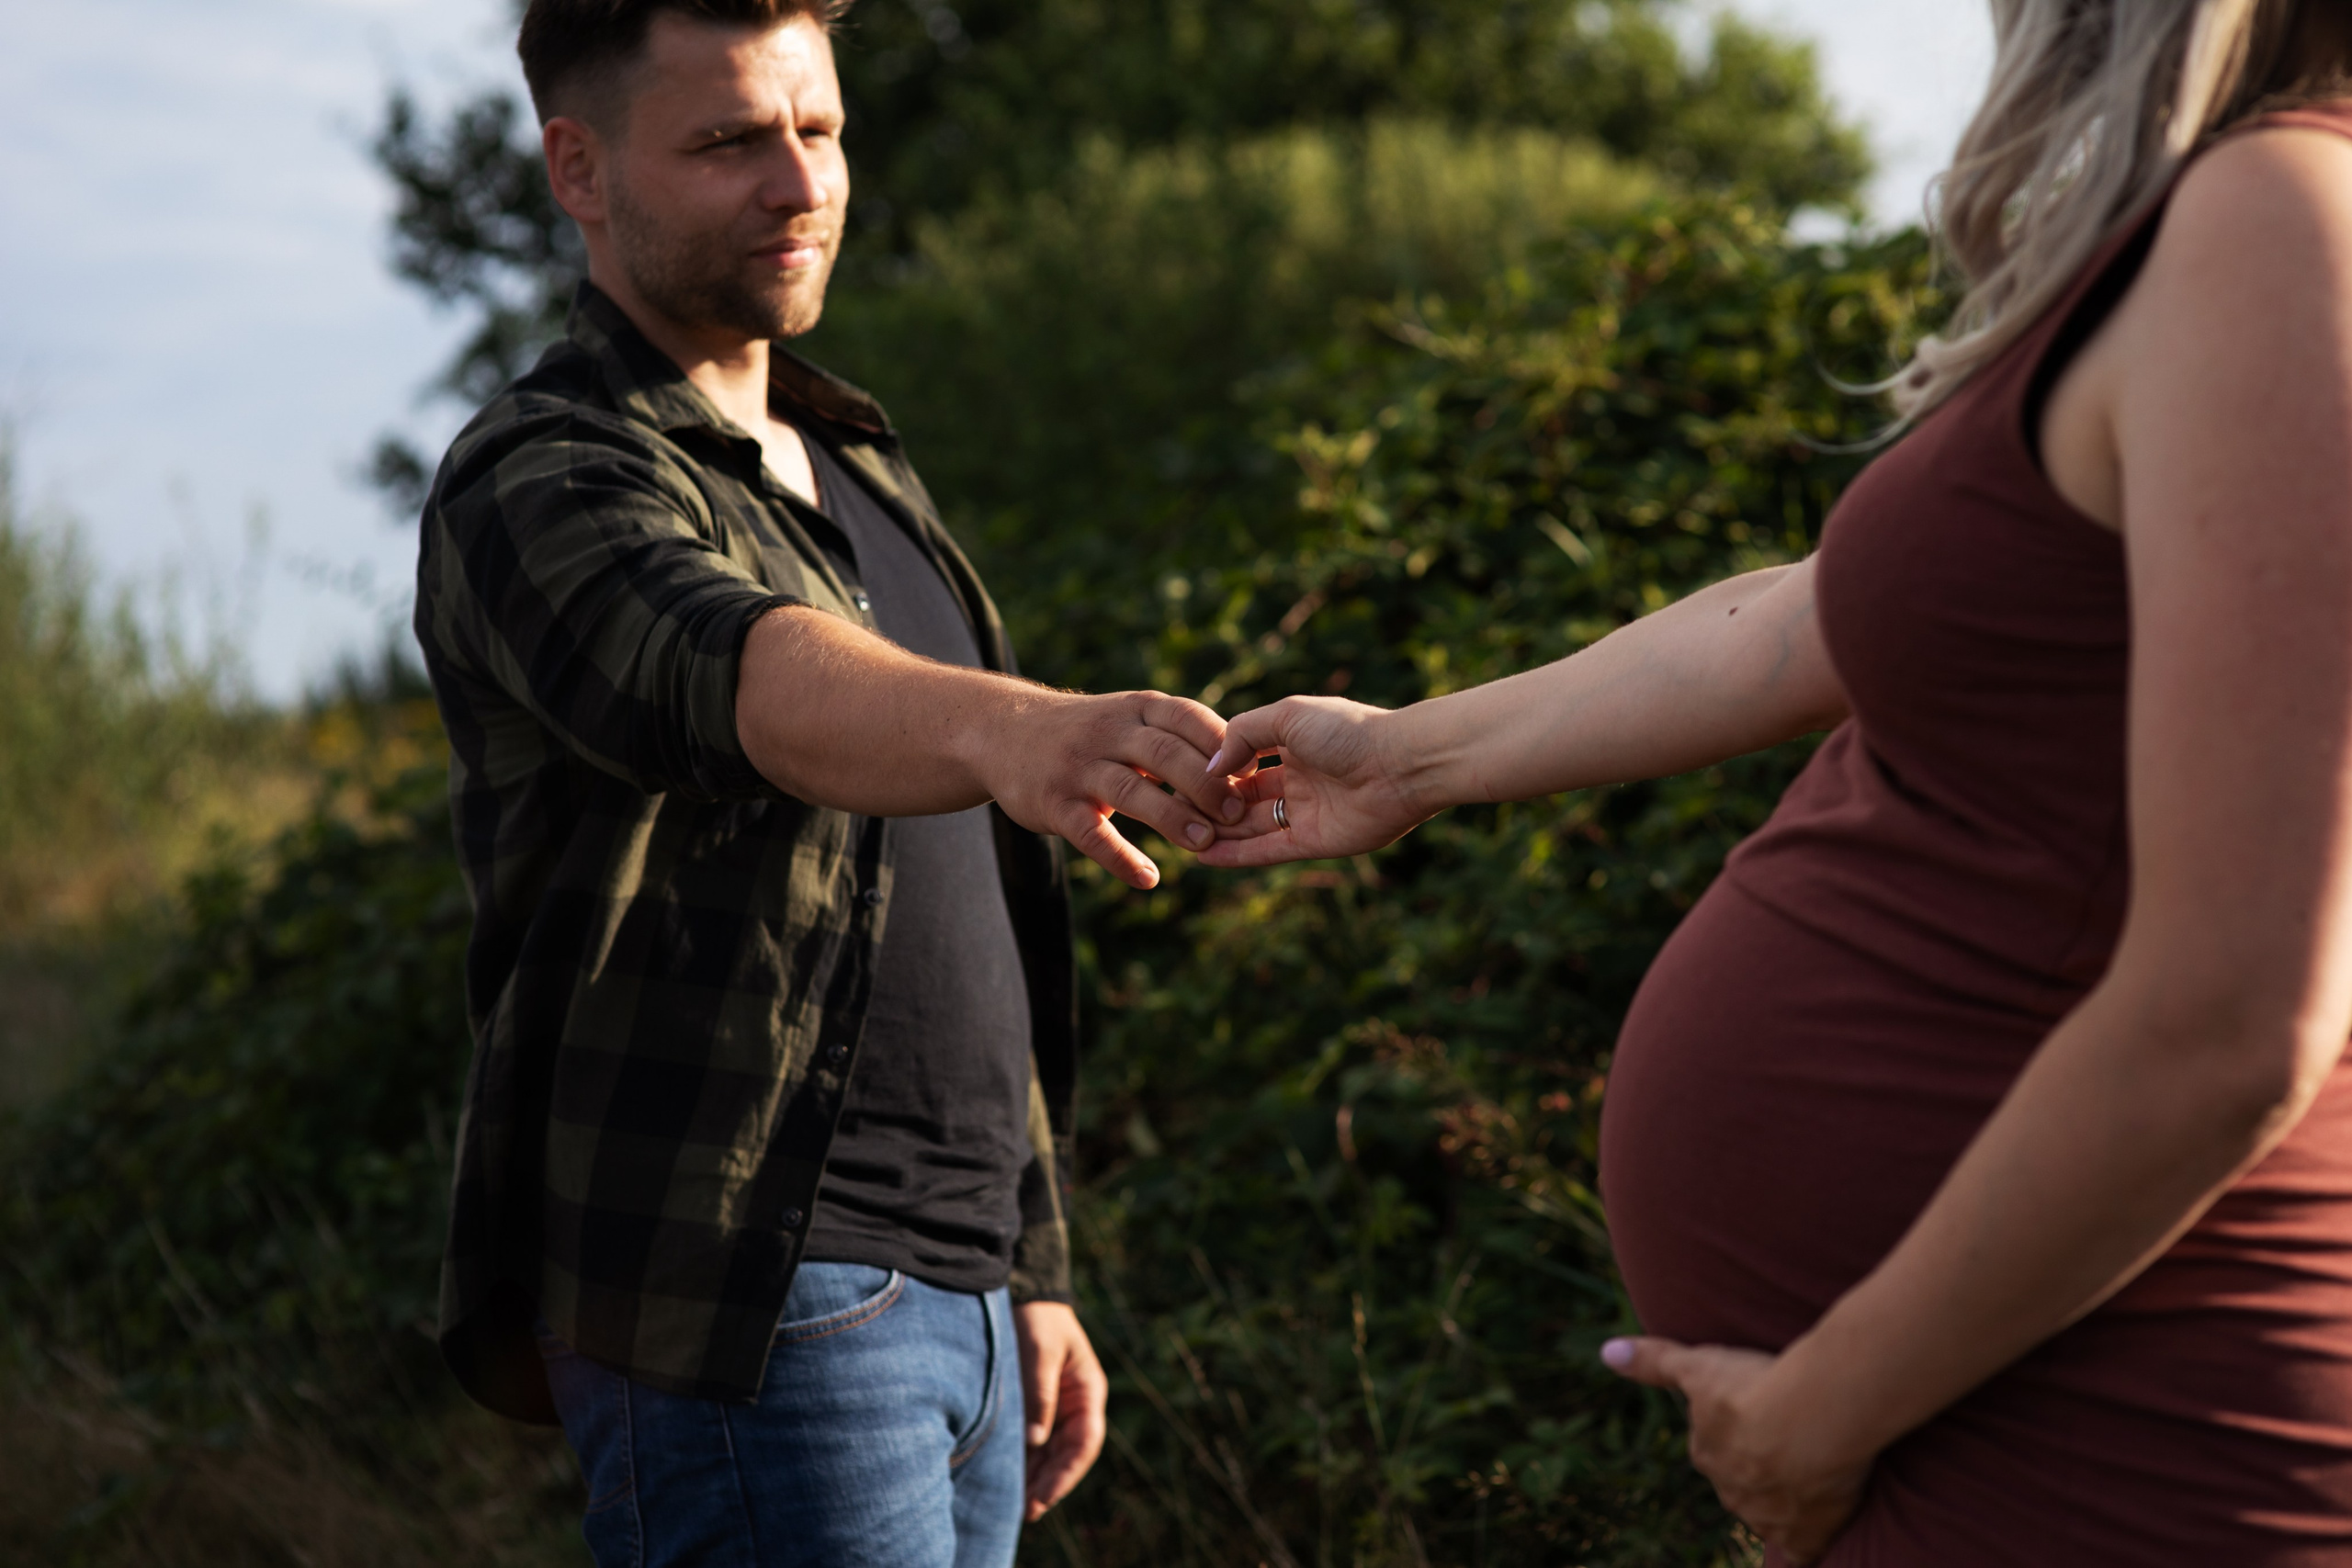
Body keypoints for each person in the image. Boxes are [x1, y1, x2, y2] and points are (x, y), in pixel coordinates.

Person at [1199, 1, 2352, 1561]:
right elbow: (1800, 618)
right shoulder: (2220, 235)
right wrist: (1407, 757)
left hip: (2119, 1415)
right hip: (1992, 1397)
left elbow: (2236, 1016)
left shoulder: (2285, 223)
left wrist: (1821, 1416)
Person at [410, 2, 1248, 1562]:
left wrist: (1033, 1267)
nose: (799, 185)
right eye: (731, 140)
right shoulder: (541, 469)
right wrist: (1016, 728)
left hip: (969, 1297)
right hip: (757, 1301)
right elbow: (719, 666)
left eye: (821, 130)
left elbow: (968, 917)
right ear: (578, 170)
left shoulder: (861, 466)